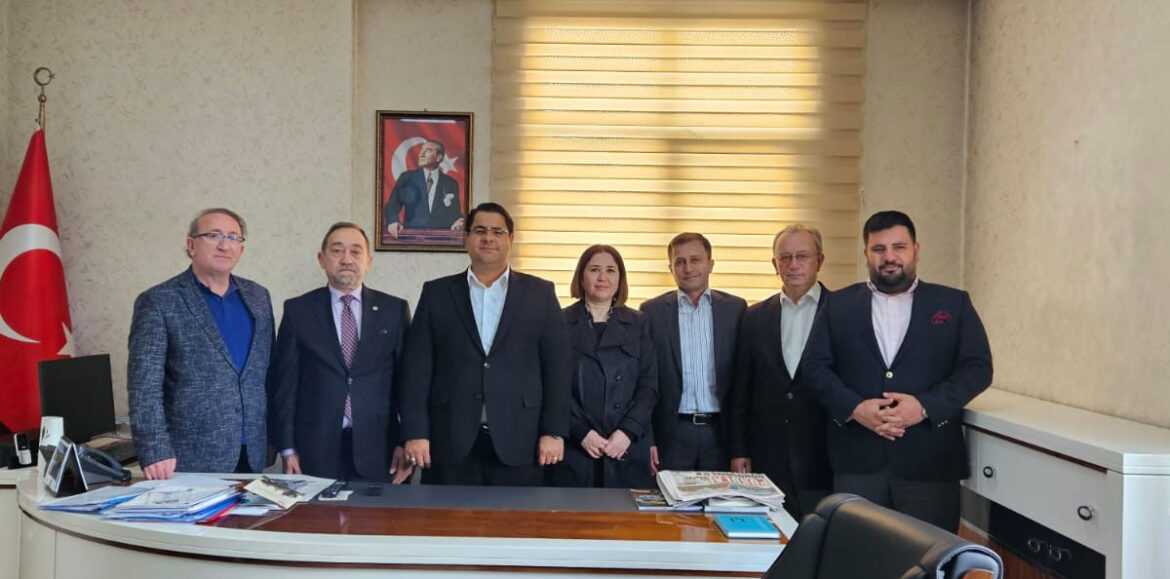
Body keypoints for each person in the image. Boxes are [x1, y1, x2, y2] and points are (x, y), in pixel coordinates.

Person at [801, 210, 993, 532]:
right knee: (858, 555)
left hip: (930, 463)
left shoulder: (953, 303)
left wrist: (924, 406)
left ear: (916, 250)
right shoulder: (838, 305)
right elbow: (814, 367)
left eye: (899, 247)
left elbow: (978, 368)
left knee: (929, 556)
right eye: (879, 249)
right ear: (866, 253)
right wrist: (855, 408)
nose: (889, 257)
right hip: (857, 462)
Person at [399, 202, 571, 485]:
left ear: (510, 239)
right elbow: (417, 370)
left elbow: (558, 369)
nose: (488, 238)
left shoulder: (540, 293)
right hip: (449, 439)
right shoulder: (437, 293)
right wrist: (416, 432)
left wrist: (553, 432)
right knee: (447, 514)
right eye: (480, 231)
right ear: (466, 238)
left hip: (522, 440)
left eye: (497, 232)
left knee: (515, 515)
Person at [128, 208, 274, 480]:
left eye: (233, 237)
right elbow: (144, 386)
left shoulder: (259, 297)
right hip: (188, 456)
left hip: (252, 451)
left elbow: (266, 375)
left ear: (241, 250)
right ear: (191, 245)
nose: (224, 245)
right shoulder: (159, 301)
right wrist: (154, 449)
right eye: (214, 235)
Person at [267, 222, 413, 483]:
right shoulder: (298, 310)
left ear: (368, 261)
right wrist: (286, 448)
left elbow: (408, 383)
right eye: (337, 251)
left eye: (356, 252)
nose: (346, 259)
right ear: (321, 259)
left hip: (380, 450)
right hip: (314, 450)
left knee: (377, 512)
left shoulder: (394, 310)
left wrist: (406, 440)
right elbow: (284, 386)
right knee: (316, 512)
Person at [727, 225, 833, 518]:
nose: (793, 264)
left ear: (819, 261)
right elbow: (741, 390)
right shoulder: (754, 316)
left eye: (802, 256)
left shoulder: (843, 311)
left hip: (824, 457)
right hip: (767, 457)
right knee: (769, 537)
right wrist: (739, 450)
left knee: (822, 537)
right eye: (785, 257)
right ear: (775, 264)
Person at [549, 245, 658, 488]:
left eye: (610, 270)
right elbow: (552, 387)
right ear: (581, 277)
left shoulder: (639, 322)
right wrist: (581, 432)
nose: (602, 277)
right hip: (576, 447)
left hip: (626, 446)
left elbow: (649, 385)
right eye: (594, 270)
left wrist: (628, 432)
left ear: (620, 279)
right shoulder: (559, 321)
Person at [640, 233, 746, 473]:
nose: (688, 268)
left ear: (710, 264)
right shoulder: (652, 312)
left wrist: (741, 447)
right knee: (668, 498)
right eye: (680, 262)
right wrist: (648, 438)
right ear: (671, 268)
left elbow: (743, 382)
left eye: (695, 260)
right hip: (672, 434)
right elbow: (645, 380)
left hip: (721, 434)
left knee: (719, 497)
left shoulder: (736, 309)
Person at [384, 140, 464, 238]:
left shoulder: (451, 183)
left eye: (428, 150)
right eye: (421, 150)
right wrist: (392, 221)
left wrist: (458, 221)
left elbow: (455, 213)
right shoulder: (406, 178)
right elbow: (393, 204)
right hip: (411, 238)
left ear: (439, 158)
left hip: (441, 239)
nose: (421, 154)